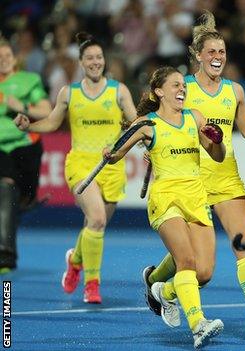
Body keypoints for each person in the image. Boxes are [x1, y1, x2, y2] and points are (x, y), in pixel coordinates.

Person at [142, 11, 245, 339]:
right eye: (211, 52)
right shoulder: (184, 89)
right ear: (197, 55)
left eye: (222, 52)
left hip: (226, 178)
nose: (218, 57)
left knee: (243, 241)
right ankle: (159, 286)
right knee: (200, 271)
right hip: (191, 182)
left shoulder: (234, 90)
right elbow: (164, 120)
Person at [102, 66, 226, 349]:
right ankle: (198, 325)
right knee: (187, 262)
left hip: (196, 196)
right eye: (175, 85)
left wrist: (217, 141)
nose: (182, 89)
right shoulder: (147, 124)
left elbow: (217, 156)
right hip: (166, 197)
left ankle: (160, 288)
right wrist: (110, 154)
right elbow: (117, 153)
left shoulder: (195, 117)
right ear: (159, 92)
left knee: (204, 273)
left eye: (183, 85)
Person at [14, 32, 137, 303]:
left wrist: (149, 140)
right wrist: (30, 126)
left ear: (105, 60)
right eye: (90, 58)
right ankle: (92, 285)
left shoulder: (119, 91)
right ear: (81, 62)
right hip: (81, 164)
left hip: (112, 166)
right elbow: (52, 122)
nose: (95, 62)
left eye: (99, 57)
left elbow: (137, 124)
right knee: (97, 220)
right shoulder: (69, 93)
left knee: (94, 226)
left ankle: (75, 259)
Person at [0, 37, 52, 272]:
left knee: (20, 197)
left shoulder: (28, 80)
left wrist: (21, 107)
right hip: (1, 149)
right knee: (6, 186)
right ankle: (6, 254)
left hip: (26, 147)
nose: (3, 61)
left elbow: (46, 110)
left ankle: (21, 205)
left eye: (7, 56)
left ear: (14, 58)